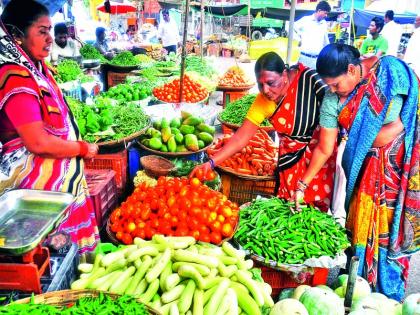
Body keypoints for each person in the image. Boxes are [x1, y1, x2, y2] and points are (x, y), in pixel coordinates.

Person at [295, 43, 419, 301]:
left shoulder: (387, 74)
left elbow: (401, 124)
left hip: (395, 172)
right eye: (328, 84)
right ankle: (359, 289)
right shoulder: (332, 100)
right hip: (362, 172)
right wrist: (302, 184)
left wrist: (377, 136)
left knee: (388, 231)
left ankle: (387, 295)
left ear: (352, 70)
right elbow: (325, 147)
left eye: (336, 84)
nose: (331, 90)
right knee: (360, 228)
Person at [0, 0, 100, 257]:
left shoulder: (36, 68)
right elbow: (38, 143)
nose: (49, 39)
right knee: (55, 252)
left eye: (50, 31)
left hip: (51, 176)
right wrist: (81, 148)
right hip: (31, 183)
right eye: (42, 31)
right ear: (17, 35)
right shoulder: (15, 76)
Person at [191, 52, 336, 211]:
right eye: (260, 85)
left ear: (285, 74)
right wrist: (211, 163)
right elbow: (241, 138)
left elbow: (335, 110)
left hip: (319, 161)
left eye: (271, 82)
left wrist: (304, 184)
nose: (265, 90)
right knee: (290, 213)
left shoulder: (310, 80)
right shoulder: (263, 100)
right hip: (290, 164)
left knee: (314, 217)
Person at [294, 1, 331, 69]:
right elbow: (290, 28)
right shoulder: (306, 20)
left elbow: (326, 41)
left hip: (316, 60)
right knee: (301, 78)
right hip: (303, 59)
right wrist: (298, 39)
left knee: (314, 79)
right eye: (325, 13)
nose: (326, 15)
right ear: (319, 10)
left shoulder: (324, 24)